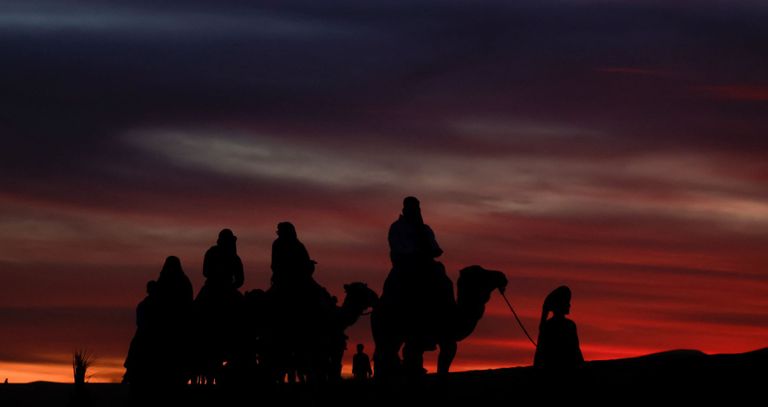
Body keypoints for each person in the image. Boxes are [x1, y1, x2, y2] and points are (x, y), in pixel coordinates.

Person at [533, 286, 584, 369]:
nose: (569, 305)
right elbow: (576, 350)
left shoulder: (547, 326)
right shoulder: (569, 325)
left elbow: (540, 352)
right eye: (566, 302)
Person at [388, 196, 443, 270]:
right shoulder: (396, 227)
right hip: (404, 267)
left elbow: (434, 246)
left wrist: (434, 250)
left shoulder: (426, 229)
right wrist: (415, 252)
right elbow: (397, 248)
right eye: (412, 208)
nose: (415, 211)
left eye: (416, 209)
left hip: (426, 265)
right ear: (404, 210)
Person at [270, 222, 316, 287]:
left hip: (299, 276)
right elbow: (276, 264)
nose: (278, 233)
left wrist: (308, 263)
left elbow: (303, 260)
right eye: (278, 231)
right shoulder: (278, 244)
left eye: (279, 231)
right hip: (284, 277)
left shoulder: (298, 245)